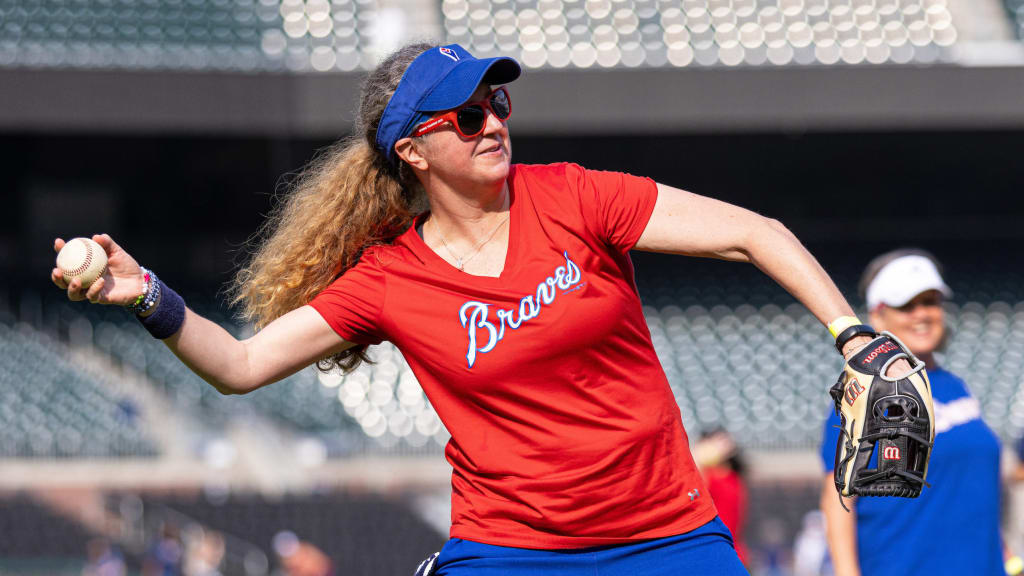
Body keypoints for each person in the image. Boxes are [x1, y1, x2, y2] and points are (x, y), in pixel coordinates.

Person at [53, 43, 903, 575]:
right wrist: (148, 297)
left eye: (498, 102)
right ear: (414, 150)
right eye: (467, 114)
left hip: (668, 536)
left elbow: (756, 233)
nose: (493, 121)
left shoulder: (573, 196)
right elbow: (239, 367)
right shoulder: (390, 280)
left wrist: (854, 336)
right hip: (513, 552)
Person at [819, 249, 1004, 576]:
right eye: (907, 305)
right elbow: (839, 503)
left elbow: (973, 491)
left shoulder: (956, 385)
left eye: (931, 301)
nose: (922, 314)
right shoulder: (867, 392)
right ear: (877, 316)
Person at [692, 427, 749, 565]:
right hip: (710, 551)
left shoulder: (733, 477)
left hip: (732, 551)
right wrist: (701, 454)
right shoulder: (708, 476)